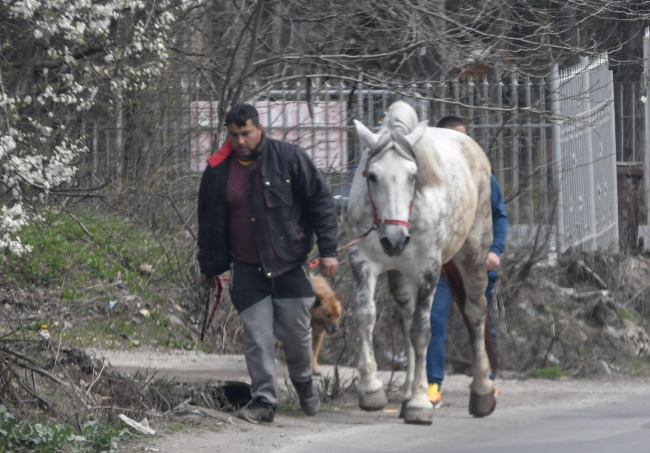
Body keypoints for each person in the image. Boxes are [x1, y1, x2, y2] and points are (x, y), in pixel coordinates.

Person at [196, 104, 339, 423]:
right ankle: (264, 402)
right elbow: (209, 221)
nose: (240, 140)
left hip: (289, 265)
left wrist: (329, 250)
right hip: (246, 269)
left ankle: (304, 385)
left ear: (259, 128)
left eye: (246, 133)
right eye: (233, 135)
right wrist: (208, 265)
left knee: (296, 335)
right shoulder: (218, 170)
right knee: (257, 336)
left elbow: (320, 201)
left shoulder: (289, 158)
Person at [426, 116, 508, 407]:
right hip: (441, 266)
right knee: (434, 320)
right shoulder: (428, 178)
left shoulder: (480, 174)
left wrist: (495, 251)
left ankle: (487, 378)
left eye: (464, 140)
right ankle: (432, 384)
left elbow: (499, 214)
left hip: (474, 265)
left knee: (480, 319)